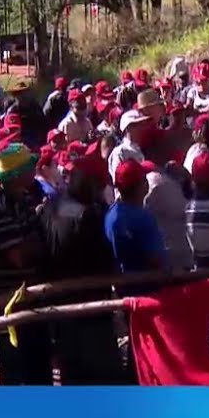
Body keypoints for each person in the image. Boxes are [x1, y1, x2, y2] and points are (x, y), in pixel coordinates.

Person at [36, 152, 127, 384]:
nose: (100, 190)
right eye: (98, 185)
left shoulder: (50, 206)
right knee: (105, 381)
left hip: (60, 311)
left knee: (73, 378)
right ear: (89, 182)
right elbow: (106, 262)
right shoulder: (89, 215)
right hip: (90, 310)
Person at [0, 145, 49, 384]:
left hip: (30, 295)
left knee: (38, 366)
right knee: (14, 366)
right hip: (8, 298)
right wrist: (39, 243)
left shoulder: (25, 199)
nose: (34, 171)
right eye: (29, 167)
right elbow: (18, 256)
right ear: (18, 173)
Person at [105, 159, 169, 291]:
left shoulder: (110, 214)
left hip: (122, 290)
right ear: (142, 185)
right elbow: (155, 260)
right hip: (147, 291)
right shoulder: (143, 218)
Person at [107, 108, 153, 181]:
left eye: (143, 124)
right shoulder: (120, 152)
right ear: (128, 128)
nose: (143, 128)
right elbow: (119, 183)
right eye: (138, 125)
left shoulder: (147, 147)